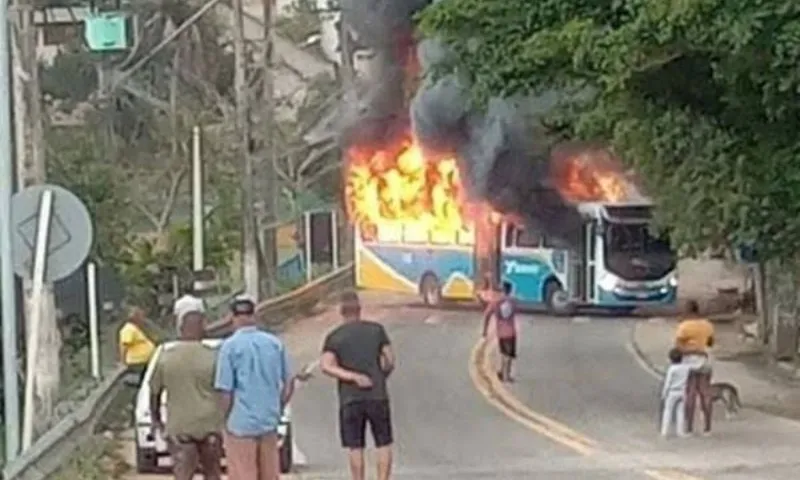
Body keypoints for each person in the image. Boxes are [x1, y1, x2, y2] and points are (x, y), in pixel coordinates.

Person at [215, 294, 295, 480]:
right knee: (269, 474)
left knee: (243, 473)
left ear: (233, 318)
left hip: (240, 423)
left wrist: (223, 419)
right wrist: (279, 406)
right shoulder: (275, 343)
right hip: (268, 419)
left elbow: (225, 390)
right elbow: (288, 383)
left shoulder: (229, 347)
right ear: (254, 316)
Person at [320, 291, 395, 480]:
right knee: (383, 443)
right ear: (359, 310)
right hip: (377, 395)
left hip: (350, 398)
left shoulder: (334, 337)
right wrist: (381, 376)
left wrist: (351, 377)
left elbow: (326, 366)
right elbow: (390, 360)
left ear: (341, 312)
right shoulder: (377, 330)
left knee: (355, 446)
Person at [149, 295, 223, 480]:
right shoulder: (215, 357)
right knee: (212, 473)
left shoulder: (166, 357)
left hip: (180, 430)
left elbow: (154, 393)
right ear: (203, 327)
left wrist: (157, 421)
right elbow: (225, 391)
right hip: (210, 428)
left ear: (180, 328)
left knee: (183, 475)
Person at [674, 299, 715, 435]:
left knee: (690, 392)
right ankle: (707, 427)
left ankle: (689, 427)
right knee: (705, 391)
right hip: (705, 358)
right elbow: (711, 342)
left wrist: (691, 349)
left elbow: (679, 347)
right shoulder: (708, 325)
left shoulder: (684, 327)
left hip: (690, 360)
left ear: (687, 310)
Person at [482, 281, 518, 382]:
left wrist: (484, 330)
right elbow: (515, 310)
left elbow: (487, 315)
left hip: (501, 333)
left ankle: (504, 373)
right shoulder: (512, 301)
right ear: (510, 290)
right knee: (509, 354)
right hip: (511, 332)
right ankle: (506, 374)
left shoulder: (495, 302)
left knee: (504, 353)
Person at [118, 307, 156, 385]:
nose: (143, 319)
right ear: (135, 318)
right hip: (138, 362)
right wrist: (123, 361)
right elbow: (124, 346)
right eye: (141, 317)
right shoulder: (128, 329)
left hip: (144, 361)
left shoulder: (135, 328)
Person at [660, 348, 692, 438]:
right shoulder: (686, 368)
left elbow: (668, 382)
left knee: (668, 411)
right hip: (682, 391)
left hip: (672, 391)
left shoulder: (672, 369)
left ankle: (664, 431)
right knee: (680, 412)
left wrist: (664, 393)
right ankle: (680, 432)